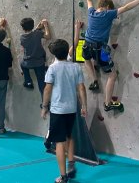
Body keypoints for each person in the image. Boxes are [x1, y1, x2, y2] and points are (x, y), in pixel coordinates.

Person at [83, 0, 139, 111]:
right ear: (108, 7)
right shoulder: (108, 14)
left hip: (86, 45)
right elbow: (126, 7)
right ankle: (108, 103)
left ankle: (94, 81)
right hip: (99, 49)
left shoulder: (91, 12)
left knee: (86, 59)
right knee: (112, 75)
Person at [41, 39, 87, 183]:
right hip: (71, 109)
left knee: (59, 142)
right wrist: (84, 106)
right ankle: (71, 164)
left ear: (53, 54)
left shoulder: (53, 68)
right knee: (69, 136)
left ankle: (63, 176)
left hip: (58, 110)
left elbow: (47, 89)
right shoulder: (76, 67)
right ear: (67, 50)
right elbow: (81, 88)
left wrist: (44, 106)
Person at [20, 18, 51, 102]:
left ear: (23, 28)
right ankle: (45, 102)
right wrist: (45, 25)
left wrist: (37, 28)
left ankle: (28, 81)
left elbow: (31, 36)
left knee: (21, 64)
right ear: (32, 26)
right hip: (39, 63)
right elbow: (48, 36)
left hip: (27, 63)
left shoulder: (22, 37)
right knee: (41, 83)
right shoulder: (37, 34)